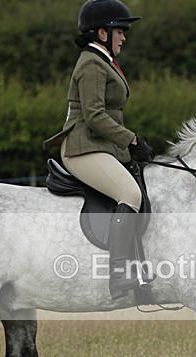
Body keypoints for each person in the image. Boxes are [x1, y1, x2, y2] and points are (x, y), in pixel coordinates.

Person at [59, 0, 153, 299]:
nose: (124, 37)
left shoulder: (102, 61)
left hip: (100, 146)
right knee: (131, 195)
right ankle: (119, 273)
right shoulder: (91, 64)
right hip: (82, 148)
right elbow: (95, 116)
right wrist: (132, 140)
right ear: (102, 33)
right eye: (120, 31)